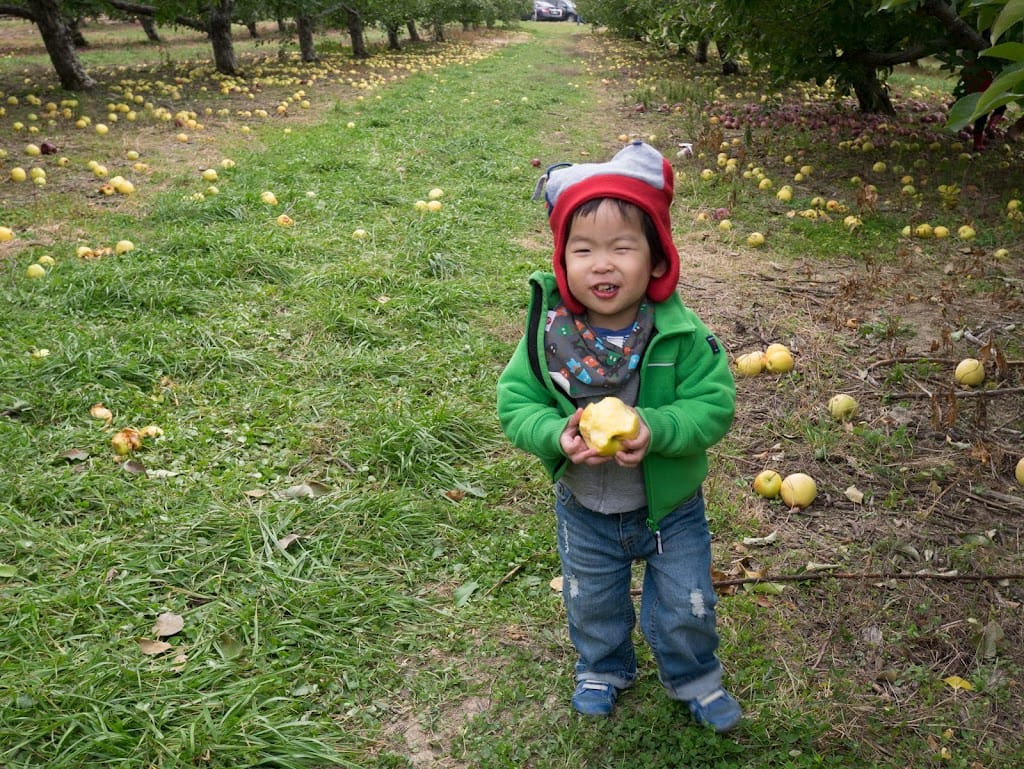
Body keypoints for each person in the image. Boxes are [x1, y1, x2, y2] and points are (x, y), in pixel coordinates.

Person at [496, 141, 741, 733]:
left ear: (657, 261)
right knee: (592, 601)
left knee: (688, 602)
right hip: (585, 506)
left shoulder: (679, 334)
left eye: (622, 248)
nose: (601, 264)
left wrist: (657, 429)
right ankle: (603, 668)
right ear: (562, 262)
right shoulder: (549, 336)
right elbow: (515, 404)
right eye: (583, 250)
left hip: (670, 509)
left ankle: (694, 676)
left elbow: (714, 405)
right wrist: (557, 434)